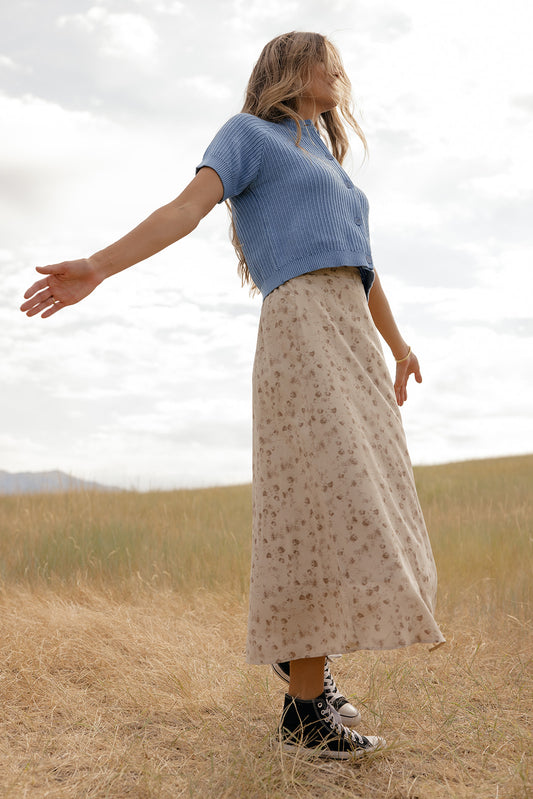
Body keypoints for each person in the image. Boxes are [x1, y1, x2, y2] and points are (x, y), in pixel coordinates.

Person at [21, 31, 445, 759]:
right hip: (301, 331)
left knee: (360, 504)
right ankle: (303, 711)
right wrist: (97, 264)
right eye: (324, 61)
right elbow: (184, 210)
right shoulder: (247, 136)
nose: (337, 73)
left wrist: (400, 346)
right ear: (288, 69)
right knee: (318, 502)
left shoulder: (331, 163)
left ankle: (303, 665)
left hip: (354, 338)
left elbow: (363, 269)